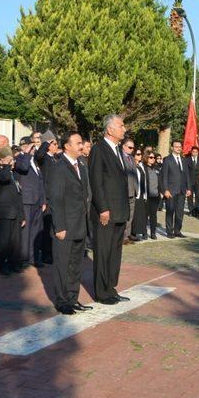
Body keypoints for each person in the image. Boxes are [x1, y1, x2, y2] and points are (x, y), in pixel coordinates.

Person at [47, 131, 92, 315]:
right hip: (65, 227)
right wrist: (60, 227)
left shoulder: (81, 165)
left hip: (80, 225)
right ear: (67, 146)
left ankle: (73, 298)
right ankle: (62, 301)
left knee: (75, 265)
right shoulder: (59, 167)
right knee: (63, 266)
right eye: (78, 142)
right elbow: (55, 199)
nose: (82, 146)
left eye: (82, 142)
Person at [89, 114, 130, 305]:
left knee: (115, 252)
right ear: (110, 129)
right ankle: (101, 293)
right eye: (121, 126)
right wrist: (103, 208)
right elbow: (96, 182)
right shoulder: (99, 149)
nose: (124, 129)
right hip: (106, 212)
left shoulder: (118, 150)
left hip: (120, 210)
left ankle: (111, 288)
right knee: (103, 252)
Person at [0, 147, 26, 275]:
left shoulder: (14, 176)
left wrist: (22, 214)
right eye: (9, 160)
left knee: (15, 241)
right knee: (4, 242)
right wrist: (6, 165)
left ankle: (14, 263)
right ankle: (2, 265)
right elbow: (4, 178)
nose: (12, 162)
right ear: (1, 161)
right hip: (4, 213)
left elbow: (19, 196)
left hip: (16, 213)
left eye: (12, 160)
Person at [14, 137, 46, 268]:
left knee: (36, 230)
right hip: (27, 201)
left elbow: (40, 182)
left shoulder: (34, 161)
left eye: (33, 147)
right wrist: (26, 153)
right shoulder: (19, 159)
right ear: (23, 147)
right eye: (30, 146)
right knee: (26, 231)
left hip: (37, 201)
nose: (33, 149)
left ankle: (34, 258)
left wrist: (43, 200)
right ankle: (24, 258)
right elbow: (23, 168)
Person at [35, 130, 59, 264]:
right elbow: (38, 155)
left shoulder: (55, 158)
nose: (56, 146)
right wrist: (45, 143)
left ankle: (52, 252)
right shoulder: (44, 158)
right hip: (47, 197)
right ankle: (46, 254)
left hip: (56, 196)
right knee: (47, 227)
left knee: (54, 227)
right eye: (53, 143)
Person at [160, 140, 191, 238]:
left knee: (180, 212)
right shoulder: (167, 160)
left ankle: (177, 230)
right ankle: (170, 231)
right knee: (170, 211)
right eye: (176, 146)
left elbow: (187, 175)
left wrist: (189, 188)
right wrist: (165, 189)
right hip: (171, 190)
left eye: (180, 146)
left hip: (182, 190)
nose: (178, 148)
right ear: (172, 148)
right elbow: (164, 176)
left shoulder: (184, 160)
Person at [120, 137, 138, 244]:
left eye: (133, 148)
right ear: (123, 146)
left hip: (132, 191)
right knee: (124, 215)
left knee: (130, 216)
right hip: (124, 192)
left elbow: (135, 175)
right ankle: (121, 237)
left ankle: (126, 236)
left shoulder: (131, 158)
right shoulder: (119, 157)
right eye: (130, 147)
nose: (132, 149)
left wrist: (136, 189)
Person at [131, 147, 149, 240]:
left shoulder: (141, 165)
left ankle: (142, 231)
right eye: (138, 154)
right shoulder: (131, 165)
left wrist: (145, 193)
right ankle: (133, 233)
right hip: (135, 193)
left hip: (142, 193)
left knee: (142, 214)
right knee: (135, 214)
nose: (140, 156)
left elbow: (144, 180)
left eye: (140, 154)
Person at [144, 149, 160, 239]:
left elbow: (160, 180)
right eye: (151, 157)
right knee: (145, 215)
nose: (153, 159)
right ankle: (144, 232)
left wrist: (160, 192)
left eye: (154, 157)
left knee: (153, 216)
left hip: (155, 196)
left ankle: (153, 233)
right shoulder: (143, 167)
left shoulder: (156, 168)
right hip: (147, 196)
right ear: (146, 158)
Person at [186, 146, 199, 217]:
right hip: (190, 182)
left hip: (198, 182)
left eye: (196, 152)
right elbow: (186, 172)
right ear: (191, 152)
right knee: (189, 197)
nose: (194, 153)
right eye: (193, 152)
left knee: (198, 197)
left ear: (198, 153)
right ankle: (190, 211)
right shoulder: (187, 160)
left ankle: (196, 212)